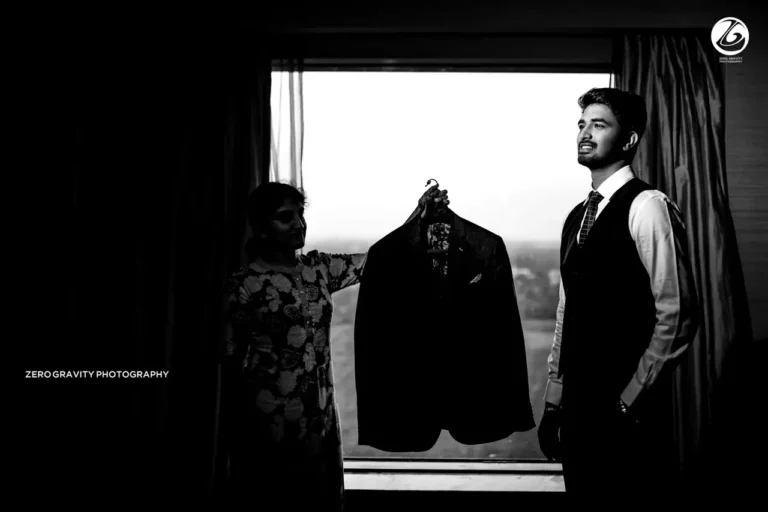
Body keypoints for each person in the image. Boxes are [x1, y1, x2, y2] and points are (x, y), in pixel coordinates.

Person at [219, 181, 448, 510]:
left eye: (300, 214)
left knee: (321, 508)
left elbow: (382, 259)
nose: (299, 223)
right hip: (269, 425)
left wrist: (421, 212)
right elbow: (230, 364)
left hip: (321, 419)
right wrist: (234, 437)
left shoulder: (318, 269)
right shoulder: (245, 286)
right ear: (261, 227)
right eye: (286, 217)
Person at [537, 88, 699, 498]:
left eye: (599, 124)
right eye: (581, 124)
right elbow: (567, 314)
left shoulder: (647, 205)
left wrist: (630, 399)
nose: (584, 133)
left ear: (628, 139)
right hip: (577, 411)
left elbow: (678, 314)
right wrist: (554, 401)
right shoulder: (576, 216)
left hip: (626, 412)